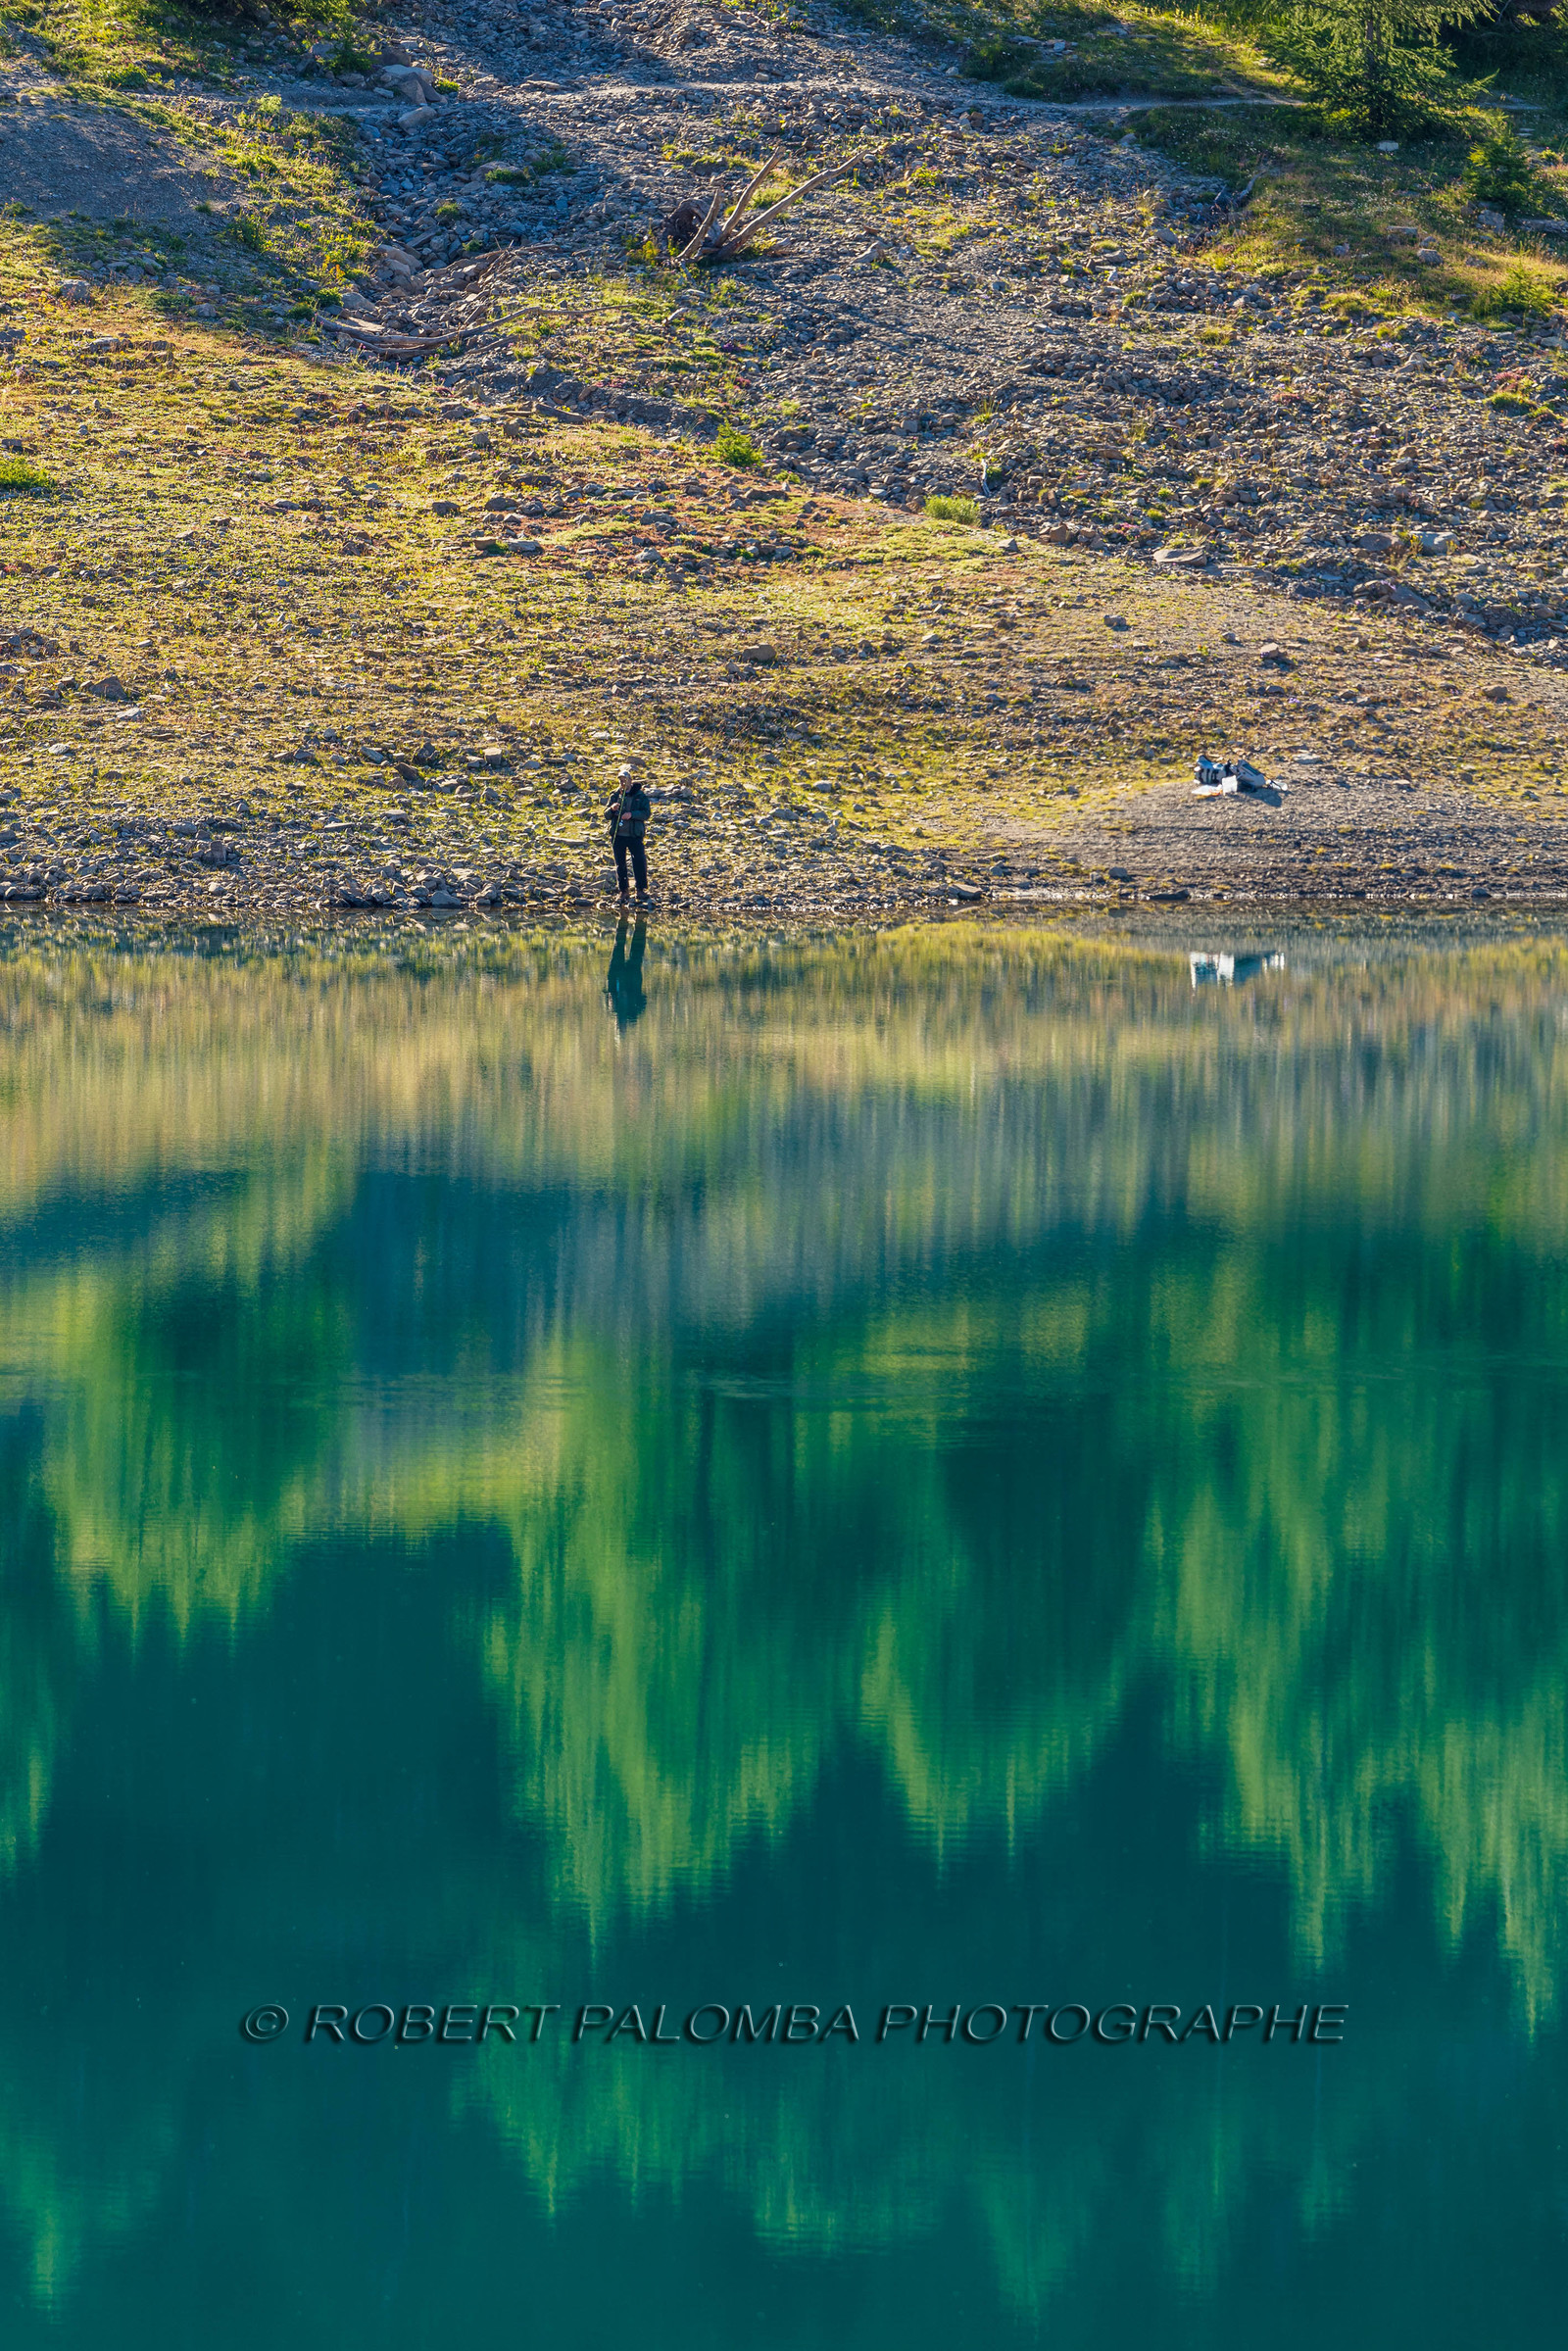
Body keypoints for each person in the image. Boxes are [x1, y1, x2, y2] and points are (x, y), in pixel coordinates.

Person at [604, 762, 652, 906]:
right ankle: (623, 891)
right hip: (618, 835)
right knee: (620, 864)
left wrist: (632, 815)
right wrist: (612, 809)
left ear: (630, 781)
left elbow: (646, 814)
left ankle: (640, 890)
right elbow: (606, 815)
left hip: (634, 835)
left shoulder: (640, 796)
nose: (622, 783)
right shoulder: (614, 795)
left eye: (625, 780)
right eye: (620, 781)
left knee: (639, 861)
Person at [605, 912, 648, 1032]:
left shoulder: (614, 1008)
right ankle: (636, 919)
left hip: (619, 974)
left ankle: (628, 918)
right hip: (630, 976)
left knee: (625, 945)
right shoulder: (632, 1013)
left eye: (619, 1025)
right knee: (633, 947)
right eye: (621, 1025)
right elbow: (643, 1000)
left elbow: (609, 989)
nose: (620, 1022)